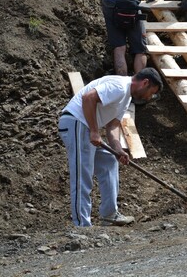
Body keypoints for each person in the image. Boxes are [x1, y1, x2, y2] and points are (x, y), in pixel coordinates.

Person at [58, 67, 163, 227]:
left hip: (84, 126)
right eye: (151, 92)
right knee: (83, 174)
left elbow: (112, 126)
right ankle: (82, 226)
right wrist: (94, 131)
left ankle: (109, 214)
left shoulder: (126, 97)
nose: (149, 98)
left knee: (109, 160)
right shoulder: (119, 86)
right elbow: (88, 98)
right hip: (76, 123)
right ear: (145, 82)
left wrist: (118, 149)